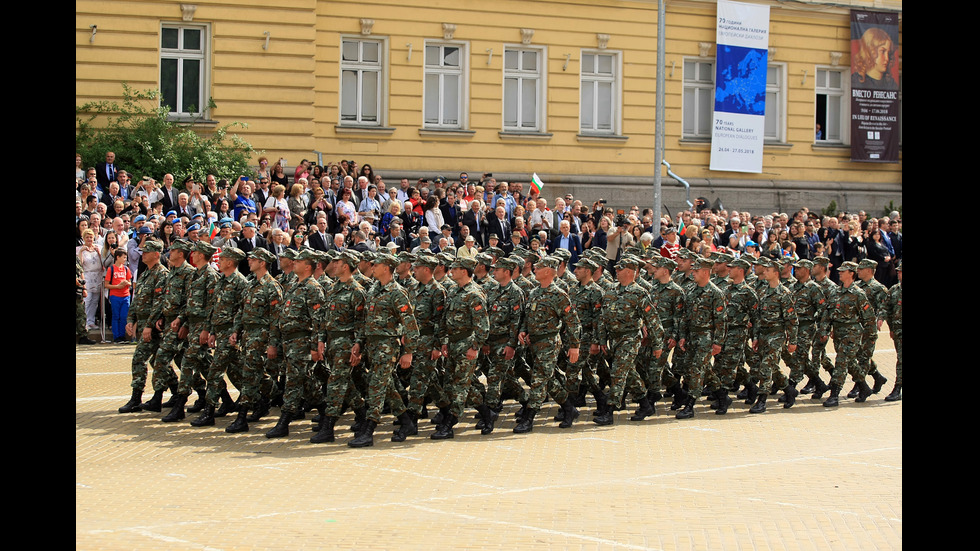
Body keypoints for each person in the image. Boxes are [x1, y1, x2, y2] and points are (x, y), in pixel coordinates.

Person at [118, 239, 170, 414]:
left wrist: (148, 325)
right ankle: (177, 391)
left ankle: (136, 398)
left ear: (156, 254)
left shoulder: (161, 274)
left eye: (146, 252)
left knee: (139, 359)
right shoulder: (145, 274)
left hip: (153, 326)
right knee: (158, 361)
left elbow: (159, 303)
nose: (143, 255)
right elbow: (137, 300)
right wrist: (130, 319)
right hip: (143, 324)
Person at [104, 248, 133, 343]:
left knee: (124, 316)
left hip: (125, 295)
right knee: (116, 316)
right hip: (115, 296)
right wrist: (117, 286)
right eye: (123, 257)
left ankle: (122, 335)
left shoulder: (126, 269)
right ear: (118, 257)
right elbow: (106, 284)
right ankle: (116, 337)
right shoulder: (111, 269)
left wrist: (127, 283)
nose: (125, 259)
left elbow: (130, 282)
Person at [883, 260, 902, 401]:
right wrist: (889, 327)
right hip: (897, 330)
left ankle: (897, 388)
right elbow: (886, 309)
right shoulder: (894, 290)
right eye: (899, 271)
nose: (899, 274)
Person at [78, 229, 104, 331]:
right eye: (87, 237)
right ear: (84, 238)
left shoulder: (98, 248)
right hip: (87, 275)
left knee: (95, 301)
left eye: (91, 237)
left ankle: (91, 321)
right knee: (87, 300)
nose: (89, 239)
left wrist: (98, 253)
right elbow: (80, 264)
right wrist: (81, 252)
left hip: (97, 275)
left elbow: (103, 263)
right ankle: (84, 322)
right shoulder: (81, 249)